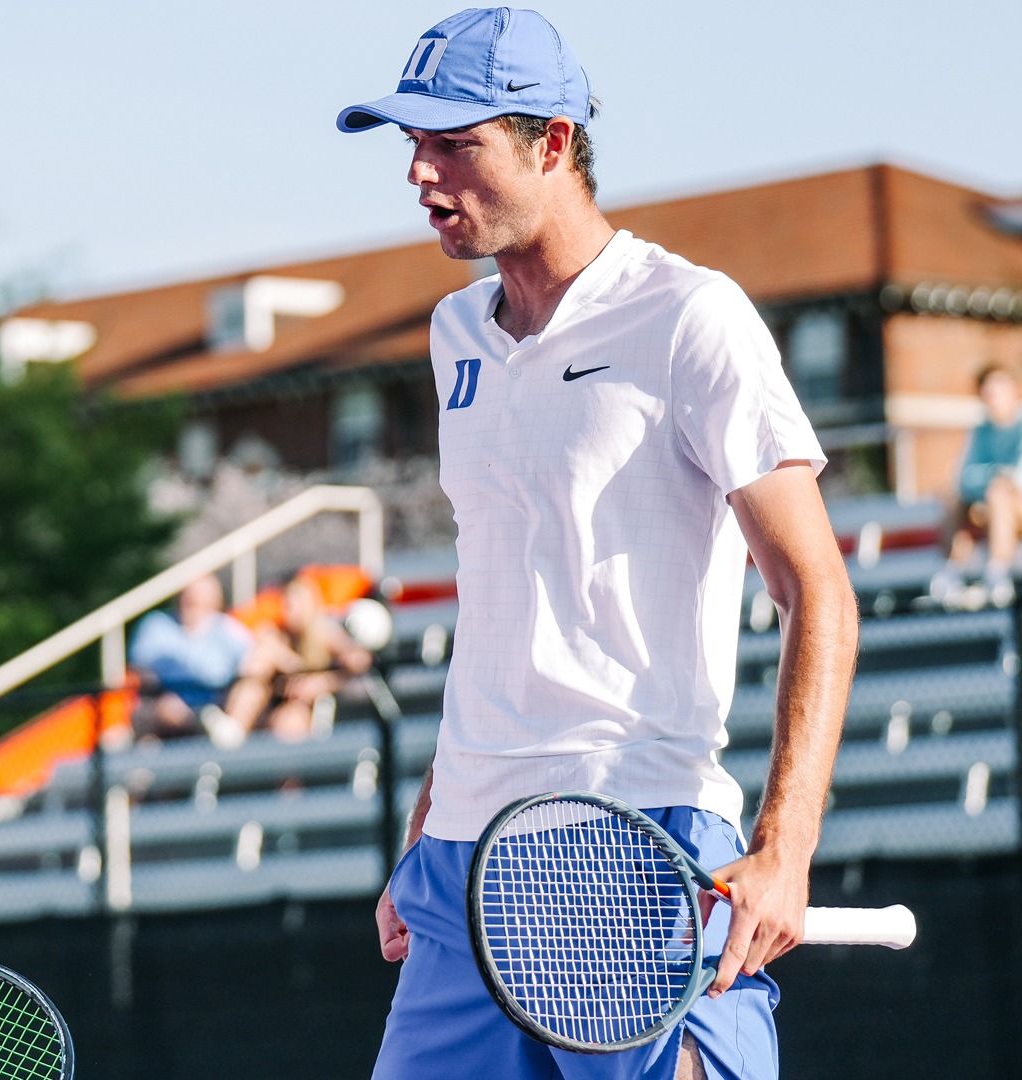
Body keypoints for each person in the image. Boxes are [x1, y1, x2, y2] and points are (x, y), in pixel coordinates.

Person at [336, 9, 858, 1079]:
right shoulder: (455, 337)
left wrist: (784, 850)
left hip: (636, 834)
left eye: (455, 145)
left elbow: (818, 592)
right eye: (414, 147)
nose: (422, 175)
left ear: (554, 142)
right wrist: (433, 816)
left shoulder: (689, 318)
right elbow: (505, 594)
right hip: (460, 865)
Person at [128, 575, 264, 746]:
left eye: (199, 594)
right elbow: (141, 672)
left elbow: (251, 662)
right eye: (189, 593)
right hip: (163, 706)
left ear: (214, 600)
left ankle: (229, 735)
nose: (191, 598)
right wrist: (164, 697)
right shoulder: (155, 625)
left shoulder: (229, 630)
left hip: (217, 708)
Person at [932, 364, 1022, 608]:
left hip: (1011, 505)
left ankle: (997, 573)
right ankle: (951, 571)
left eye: (997, 390)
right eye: (988, 392)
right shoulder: (981, 431)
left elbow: (1016, 478)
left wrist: (990, 484)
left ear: (1014, 391)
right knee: (953, 497)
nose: (993, 398)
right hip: (987, 507)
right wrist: (992, 480)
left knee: (998, 493)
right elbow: (964, 477)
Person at [245, 575, 373, 741]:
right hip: (277, 701)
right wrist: (288, 663)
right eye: (285, 603)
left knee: (288, 723)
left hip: (308, 706)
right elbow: (254, 667)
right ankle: (233, 732)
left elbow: (359, 660)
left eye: (293, 604)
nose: (287, 610)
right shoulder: (277, 636)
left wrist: (323, 682)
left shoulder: (324, 632)